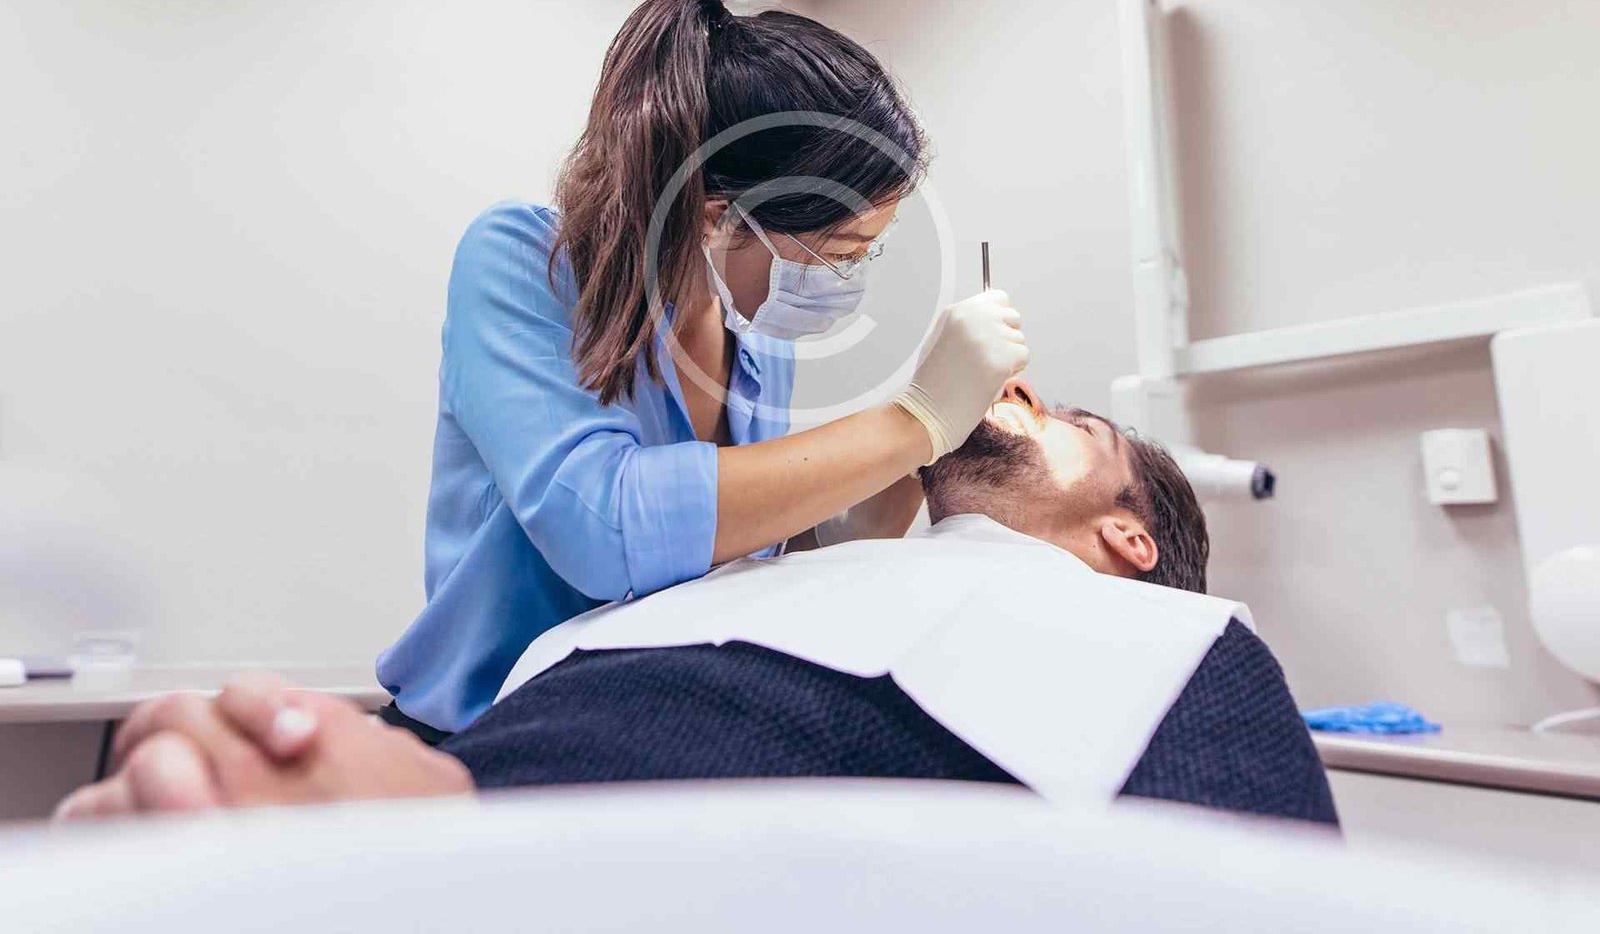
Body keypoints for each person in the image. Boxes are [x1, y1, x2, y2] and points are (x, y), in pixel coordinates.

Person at [56, 381, 1335, 827]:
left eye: (1069, 425)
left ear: (1128, 536)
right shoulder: (788, 575)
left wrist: (452, 839)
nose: (1025, 401)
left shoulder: (1173, 641)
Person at [376, 0, 1030, 739]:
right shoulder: (524, 260)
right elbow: (606, 527)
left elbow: (741, 556)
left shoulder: (758, 340)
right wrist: (914, 420)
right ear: (717, 218)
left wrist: (914, 465)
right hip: (484, 732)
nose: (849, 277)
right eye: (842, 251)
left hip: (649, 729)